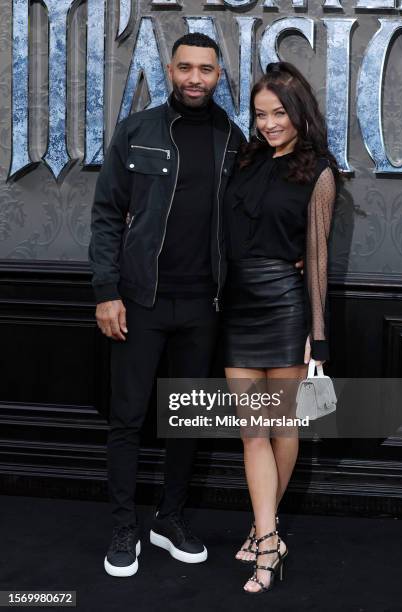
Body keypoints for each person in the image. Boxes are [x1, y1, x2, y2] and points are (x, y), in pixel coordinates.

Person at [88, 32, 245, 577]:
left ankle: (169, 518)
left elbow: (247, 219)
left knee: (188, 419)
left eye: (205, 69)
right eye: (185, 68)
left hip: (205, 303)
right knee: (127, 420)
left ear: (219, 75)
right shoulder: (137, 131)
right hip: (141, 301)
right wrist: (106, 292)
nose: (195, 78)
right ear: (170, 70)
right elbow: (107, 215)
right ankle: (123, 528)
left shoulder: (234, 139)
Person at [222, 61, 338, 594]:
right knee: (252, 429)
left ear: (300, 114)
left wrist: (318, 337)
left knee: (282, 427)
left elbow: (316, 261)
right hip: (239, 306)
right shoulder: (245, 161)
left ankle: (264, 538)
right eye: (261, 114)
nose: (269, 124)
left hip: (286, 307)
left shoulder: (319, 172)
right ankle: (269, 534)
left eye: (279, 114)